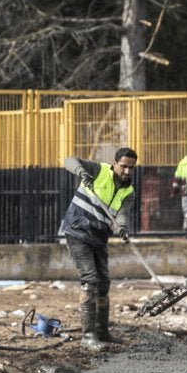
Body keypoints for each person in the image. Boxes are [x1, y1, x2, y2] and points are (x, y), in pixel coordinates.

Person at [60, 147, 138, 349]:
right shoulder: (98, 170)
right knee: (90, 281)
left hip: (99, 237)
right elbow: (69, 160)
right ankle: (88, 337)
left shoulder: (128, 191)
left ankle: (102, 332)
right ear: (114, 163)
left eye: (131, 167)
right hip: (78, 231)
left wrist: (121, 226)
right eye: (123, 166)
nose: (127, 171)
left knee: (104, 284)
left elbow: (122, 214)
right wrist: (81, 172)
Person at [172, 145, 187, 234]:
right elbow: (177, 177)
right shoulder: (183, 163)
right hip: (186, 193)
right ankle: (186, 233)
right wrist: (174, 192)